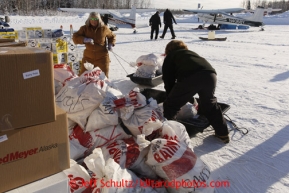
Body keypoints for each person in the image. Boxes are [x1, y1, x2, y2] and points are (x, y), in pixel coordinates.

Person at [162, 40, 229, 143]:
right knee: (209, 104)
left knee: (170, 106)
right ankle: (223, 134)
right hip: (210, 76)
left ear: (168, 50)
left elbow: (169, 81)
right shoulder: (190, 54)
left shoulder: (171, 56)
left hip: (192, 77)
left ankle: (172, 138)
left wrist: (171, 98)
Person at [73, 12, 116, 78]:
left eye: (96, 19)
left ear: (99, 19)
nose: (93, 21)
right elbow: (75, 37)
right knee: (83, 77)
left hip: (102, 58)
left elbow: (112, 36)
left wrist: (110, 44)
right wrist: (84, 39)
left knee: (103, 78)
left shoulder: (104, 28)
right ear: (89, 19)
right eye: (92, 19)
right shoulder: (84, 28)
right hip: (88, 58)